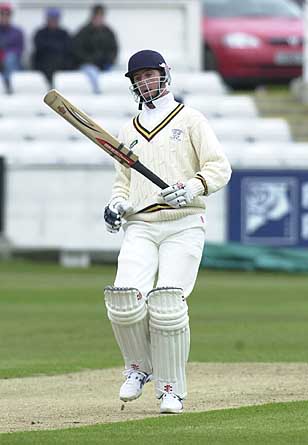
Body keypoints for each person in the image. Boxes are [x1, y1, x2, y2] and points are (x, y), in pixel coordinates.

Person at [103, 49, 232, 414]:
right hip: (141, 225)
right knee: (123, 300)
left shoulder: (191, 119)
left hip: (184, 223)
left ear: (164, 75)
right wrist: (118, 204)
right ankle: (138, 366)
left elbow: (219, 167)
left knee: (167, 304)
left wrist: (193, 187)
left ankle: (170, 388)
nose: (146, 82)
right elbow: (122, 183)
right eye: (138, 78)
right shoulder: (127, 130)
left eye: (150, 75)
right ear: (133, 85)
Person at [72, 4, 118, 94]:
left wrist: (108, 60)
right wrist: (92, 60)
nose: (99, 18)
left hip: (105, 65)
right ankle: (97, 95)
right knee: (92, 73)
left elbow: (114, 49)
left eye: (101, 16)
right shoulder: (83, 31)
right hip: (88, 65)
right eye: (97, 16)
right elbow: (77, 50)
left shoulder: (108, 32)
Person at [32, 7, 72, 88]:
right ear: (47, 19)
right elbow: (40, 48)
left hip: (61, 63)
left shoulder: (64, 33)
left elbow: (68, 48)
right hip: (44, 63)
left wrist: (52, 47)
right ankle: (50, 86)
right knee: (49, 61)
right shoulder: (40, 33)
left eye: (55, 18)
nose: (53, 21)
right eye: (51, 18)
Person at [0, 2, 24, 94]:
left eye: (7, 14)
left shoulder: (17, 32)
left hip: (10, 62)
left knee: (10, 59)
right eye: (2, 13)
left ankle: (8, 86)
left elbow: (19, 50)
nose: (4, 16)